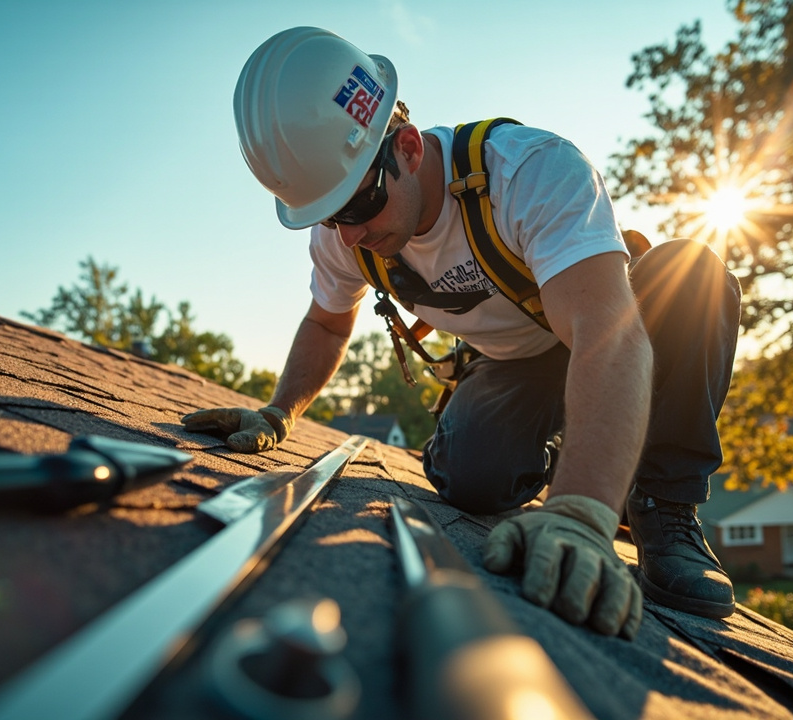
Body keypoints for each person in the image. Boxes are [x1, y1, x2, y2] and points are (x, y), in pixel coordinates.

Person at [183, 27, 741, 637]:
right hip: (515, 361)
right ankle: (592, 452)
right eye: (327, 215)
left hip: (610, 323)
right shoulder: (346, 232)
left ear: (409, 149)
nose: (347, 234)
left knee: (697, 275)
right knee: (470, 476)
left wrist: (581, 514)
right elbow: (325, 321)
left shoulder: (528, 170)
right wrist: (279, 412)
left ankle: (663, 506)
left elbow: (608, 335)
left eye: (357, 206)